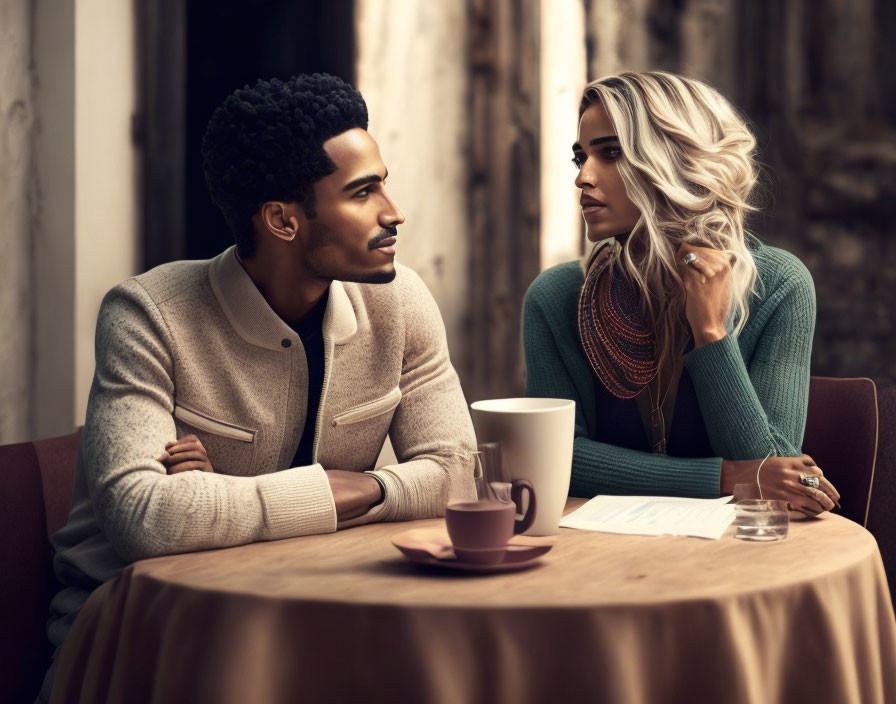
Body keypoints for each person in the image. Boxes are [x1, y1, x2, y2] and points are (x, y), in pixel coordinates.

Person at [42, 73, 476, 699]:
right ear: (282, 220)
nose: (393, 212)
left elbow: (459, 472)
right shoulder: (146, 314)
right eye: (363, 193)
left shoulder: (400, 300)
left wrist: (359, 486)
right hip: (144, 628)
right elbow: (143, 517)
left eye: (384, 183)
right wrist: (324, 493)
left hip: (312, 604)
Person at [523, 71, 839, 513]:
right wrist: (723, 477)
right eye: (581, 158)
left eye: (611, 153)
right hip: (598, 552)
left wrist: (710, 331)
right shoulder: (557, 296)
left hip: (737, 552)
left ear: (675, 161)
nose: (583, 177)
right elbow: (552, 457)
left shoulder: (780, 285)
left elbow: (773, 471)